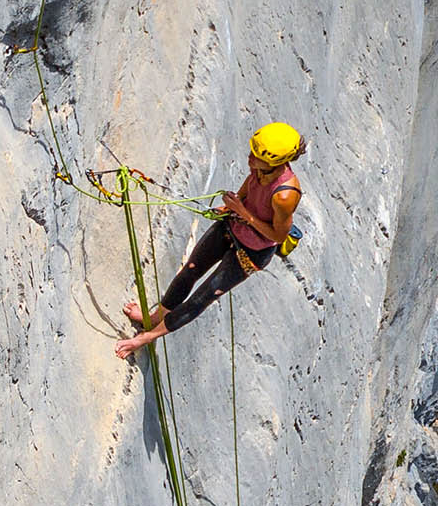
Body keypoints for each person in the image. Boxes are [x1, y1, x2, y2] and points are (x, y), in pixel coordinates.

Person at [115, 124, 305, 359]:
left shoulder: (285, 195)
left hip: (252, 252)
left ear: (276, 162)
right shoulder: (260, 169)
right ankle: (154, 318)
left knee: (202, 297)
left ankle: (146, 337)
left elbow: (278, 236)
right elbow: (250, 183)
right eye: (252, 153)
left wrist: (243, 213)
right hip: (231, 226)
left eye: (257, 157)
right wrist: (231, 206)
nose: (250, 158)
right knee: (190, 270)